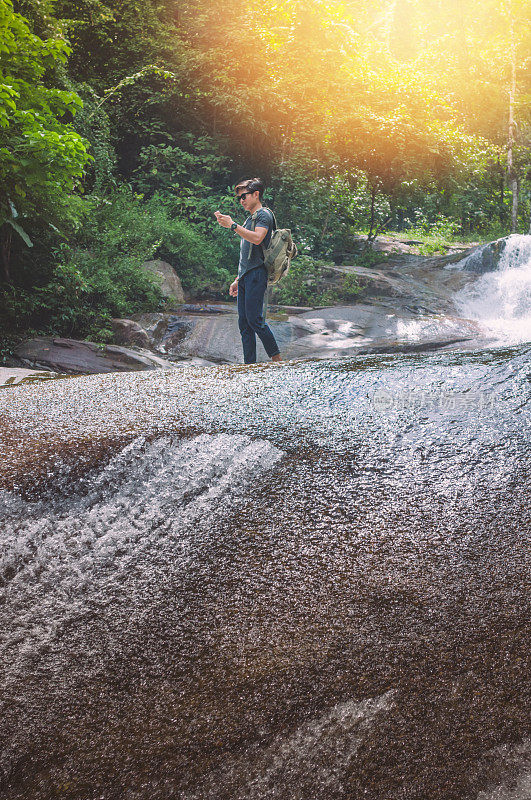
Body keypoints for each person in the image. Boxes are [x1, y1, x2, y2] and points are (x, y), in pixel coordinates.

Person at [214, 177, 282, 364]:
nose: (241, 200)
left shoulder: (263, 215)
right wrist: (238, 279)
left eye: (244, 196)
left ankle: (277, 360)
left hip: (257, 274)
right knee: (244, 324)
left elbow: (258, 239)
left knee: (255, 320)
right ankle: (249, 365)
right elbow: (247, 254)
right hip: (246, 276)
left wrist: (233, 225)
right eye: (239, 198)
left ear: (256, 194)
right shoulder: (249, 218)